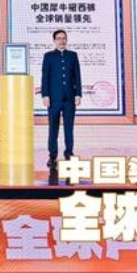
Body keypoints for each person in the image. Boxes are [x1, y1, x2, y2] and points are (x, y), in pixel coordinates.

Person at [40, 29, 82, 169]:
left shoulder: (73, 55)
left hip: (69, 99)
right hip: (53, 99)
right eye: (58, 38)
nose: (61, 41)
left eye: (64, 38)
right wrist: (45, 95)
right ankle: (52, 157)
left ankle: (69, 154)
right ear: (54, 41)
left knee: (69, 128)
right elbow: (45, 77)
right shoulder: (49, 56)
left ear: (67, 40)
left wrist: (78, 94)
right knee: (53, 128)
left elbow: (77, 76)